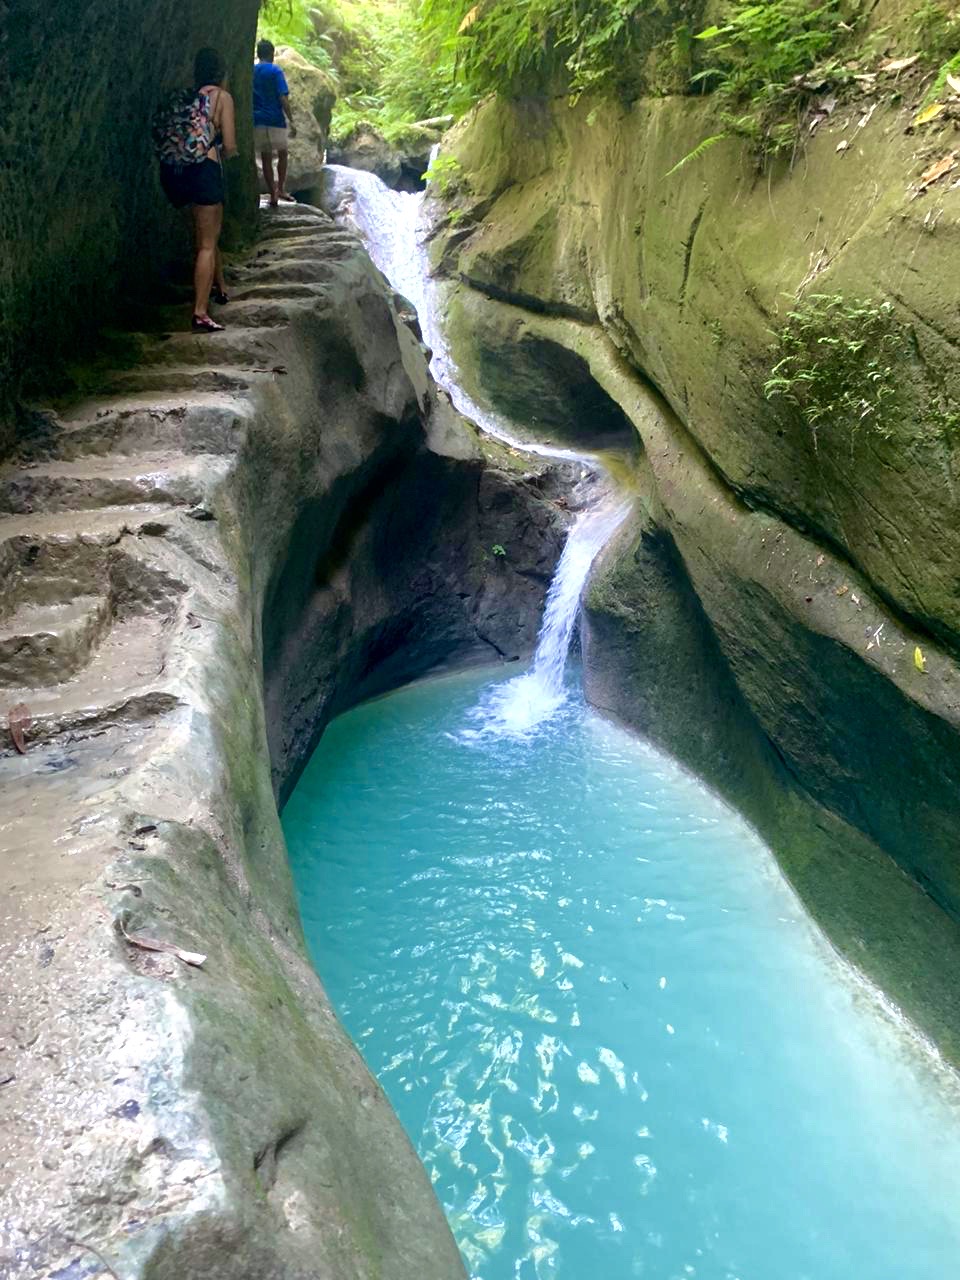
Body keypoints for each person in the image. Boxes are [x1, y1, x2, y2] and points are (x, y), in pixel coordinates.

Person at [158, 47, 237, 333]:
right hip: (206, 171)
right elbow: (230, 145)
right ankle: (200, 312)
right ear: (222, 73)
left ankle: (220, 286)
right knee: (207, 243)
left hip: (180, 173)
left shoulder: (188, 98)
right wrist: (224, 152)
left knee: (206, 237)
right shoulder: (221, 98)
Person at [253, 40, 297, 207]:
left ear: (258, 54)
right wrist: (291, 120)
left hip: (258, 119)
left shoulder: (252, 71)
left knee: (266, 157)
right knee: (282, 153)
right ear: (272, 54)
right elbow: (282, 97)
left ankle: (272, 194)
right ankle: (281, 189)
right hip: (275, 119)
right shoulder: (275, 71)